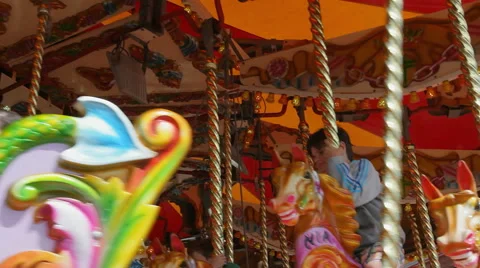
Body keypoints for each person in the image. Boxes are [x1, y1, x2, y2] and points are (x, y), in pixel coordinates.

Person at [306, 127, 405, 268]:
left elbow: (352, 196)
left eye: (321, 153)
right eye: (314, 157)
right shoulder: (324, 183)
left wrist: (336, 160)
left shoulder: (362, 167)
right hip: (349, 251)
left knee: (374, 265)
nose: (317, 161)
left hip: (379, 243)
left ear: (340, 147)